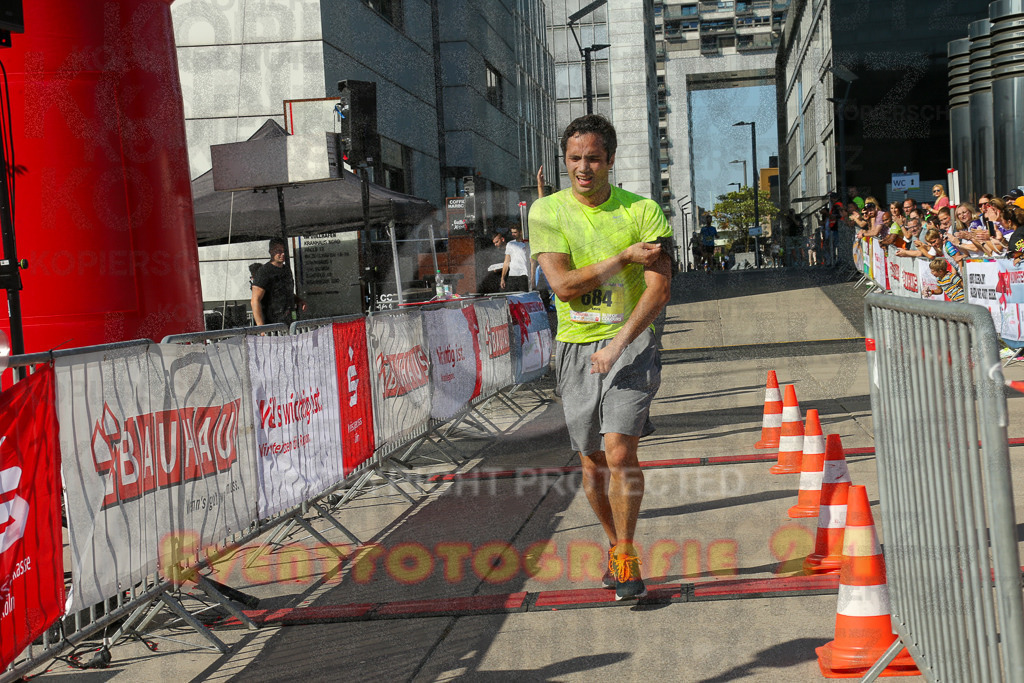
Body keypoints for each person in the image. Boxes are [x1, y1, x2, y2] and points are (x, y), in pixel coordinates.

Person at [529, 114, 672, 601]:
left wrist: (620, 343)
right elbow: (565, 288)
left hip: (631, 341)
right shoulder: (546, 212)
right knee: (592, 462)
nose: (583, 167)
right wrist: (623, 259)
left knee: (619, 451)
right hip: (574, 346)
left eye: (593, 158)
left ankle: (628, 553)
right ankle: (613, 545)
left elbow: (659, 289)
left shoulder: (644, 211)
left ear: (610, 159)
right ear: (565, 161)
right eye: (574, 159)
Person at [251, 237, 306, 326]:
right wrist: (261, 327)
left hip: (288, 321)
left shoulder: (286, 270)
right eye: (279, 251)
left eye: (284, 250)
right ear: (271, 251)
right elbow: (255, 300)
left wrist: (298, 300)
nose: (283, 254)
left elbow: (286, 292)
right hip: (271, 324)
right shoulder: (264, 272)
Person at [494, 226, 531, 292]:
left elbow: (532, 261)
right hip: (513, 275)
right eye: (512, 232)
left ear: (521, 232)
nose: (513, 234)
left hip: (524, 274)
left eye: (515, 232)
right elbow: (506, 261)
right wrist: (502, 278)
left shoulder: (527, 244)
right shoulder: (510, 244)